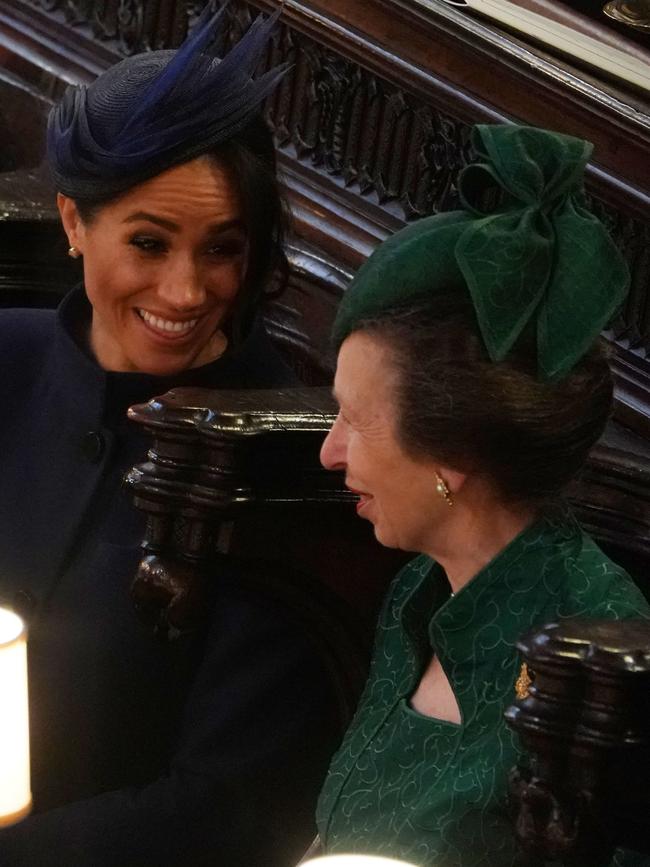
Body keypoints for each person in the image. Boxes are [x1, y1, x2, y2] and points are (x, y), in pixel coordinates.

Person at [0, 6, 338, 865]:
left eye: (222, 249)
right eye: (149, 242)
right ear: (74, 223)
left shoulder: (291, 457)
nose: (186, 291)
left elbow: (229, 807)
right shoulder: (3, 358)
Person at [315, 124, 650, 866]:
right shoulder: (416, 590)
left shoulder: (597, 659)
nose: (329, 451)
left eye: (357, 420)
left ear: (455, 454)